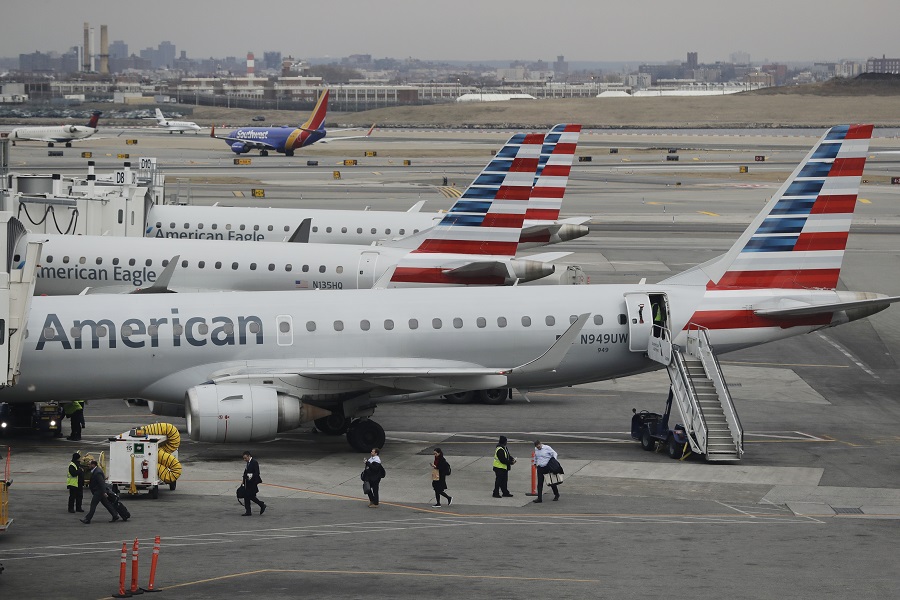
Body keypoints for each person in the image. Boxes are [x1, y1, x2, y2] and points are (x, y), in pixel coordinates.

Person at [241, 451, 266, 516]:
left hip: (252, 482)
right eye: (244, 458)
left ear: (249, 456)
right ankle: (248, 511)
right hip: (247, 482)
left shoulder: (254, 462)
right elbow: (245, 472)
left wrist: (250, 476)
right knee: (247, 496)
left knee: (250, 496)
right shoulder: (248, 463)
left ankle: (261, 505)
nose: (244, 460)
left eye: (245, 458)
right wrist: (243, 480)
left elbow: (257, 473)